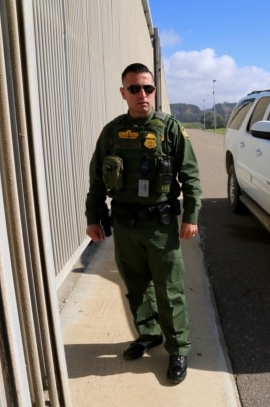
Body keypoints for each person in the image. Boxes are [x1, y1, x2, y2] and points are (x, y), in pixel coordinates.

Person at [85, 63, 201, 384]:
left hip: (161, 225)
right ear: (123, 93)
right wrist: (92, 216)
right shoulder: (112, 132)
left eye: (147, 88)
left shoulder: (171, 129)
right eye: (134, 88)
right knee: (136, 285)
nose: (142, 94)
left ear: (153, 91)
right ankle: (149, 334)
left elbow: (190, 177)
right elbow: (97, 178)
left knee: (169, 289)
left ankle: (178, 347)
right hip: (124, 225)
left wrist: (190, 217)